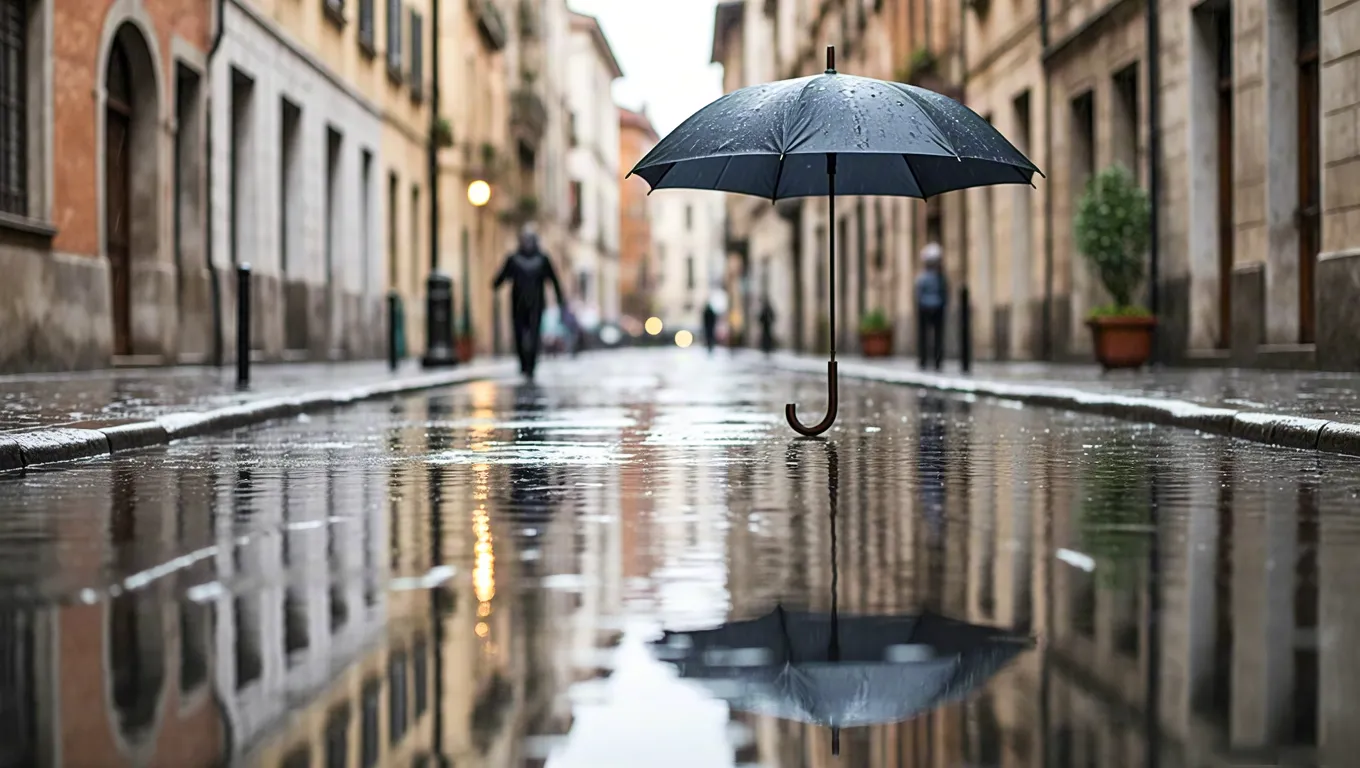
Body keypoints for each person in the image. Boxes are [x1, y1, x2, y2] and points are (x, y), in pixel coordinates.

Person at [493, 225, 565, 380]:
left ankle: (529, 364)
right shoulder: (516, 259)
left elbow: (553, 280)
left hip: (534, 304)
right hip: (521, 303)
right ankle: (525, 364)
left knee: (532, 333)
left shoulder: (540, 259)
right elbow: (501, 277)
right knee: (522, 333)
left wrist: (560, 299)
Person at [914, 242, 948, 371]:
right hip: (937, 307)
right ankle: (936, 361)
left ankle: (925, 360)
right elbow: (944, 292)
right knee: (936, 335)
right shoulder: (938, 277)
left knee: (925, 335)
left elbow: (919, 292)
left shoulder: (923, 277)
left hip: (925, 307)